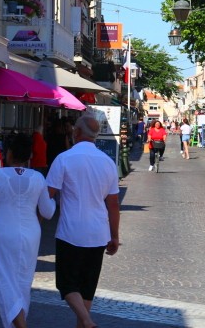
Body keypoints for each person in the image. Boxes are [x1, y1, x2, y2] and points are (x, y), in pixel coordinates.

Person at [46, 115, 120, 328]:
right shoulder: (107, 162)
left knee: (67, 283)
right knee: (87, 288)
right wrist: (114, 236)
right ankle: (85, 322)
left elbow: (48, 194)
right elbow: (113, 204)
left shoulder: (64, 159)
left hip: (71, 231)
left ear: (76, 132)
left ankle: (87, 322)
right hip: (98, 233)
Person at [0, 132, 56, 328]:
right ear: (29, 155)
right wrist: (54, 201)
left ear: (9, 153)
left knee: (5, 281)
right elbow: (47, 212)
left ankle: (20, 326)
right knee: (23, 282)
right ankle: (19, 323)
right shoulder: (38, 178)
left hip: (3, 234)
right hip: (31, 235)